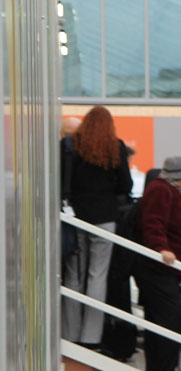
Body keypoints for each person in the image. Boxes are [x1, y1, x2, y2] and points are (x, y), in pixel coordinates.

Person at [61, 106, 134, 348]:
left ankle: (70, 333)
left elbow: (63, 181)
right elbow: (126, 184)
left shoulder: (71, 146)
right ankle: (91, 337)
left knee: (74, 274)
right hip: (105, 217)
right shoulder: (115, 146)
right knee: (97, 275)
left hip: (77, 215)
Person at [136, 156, 181, 371]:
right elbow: (153, 223)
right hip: (161, 270)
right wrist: (161, 248)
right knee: (167, 322)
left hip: (169, 271)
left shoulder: (166, 190)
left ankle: (165, 370)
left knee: (168, 321)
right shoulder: (162, 191)